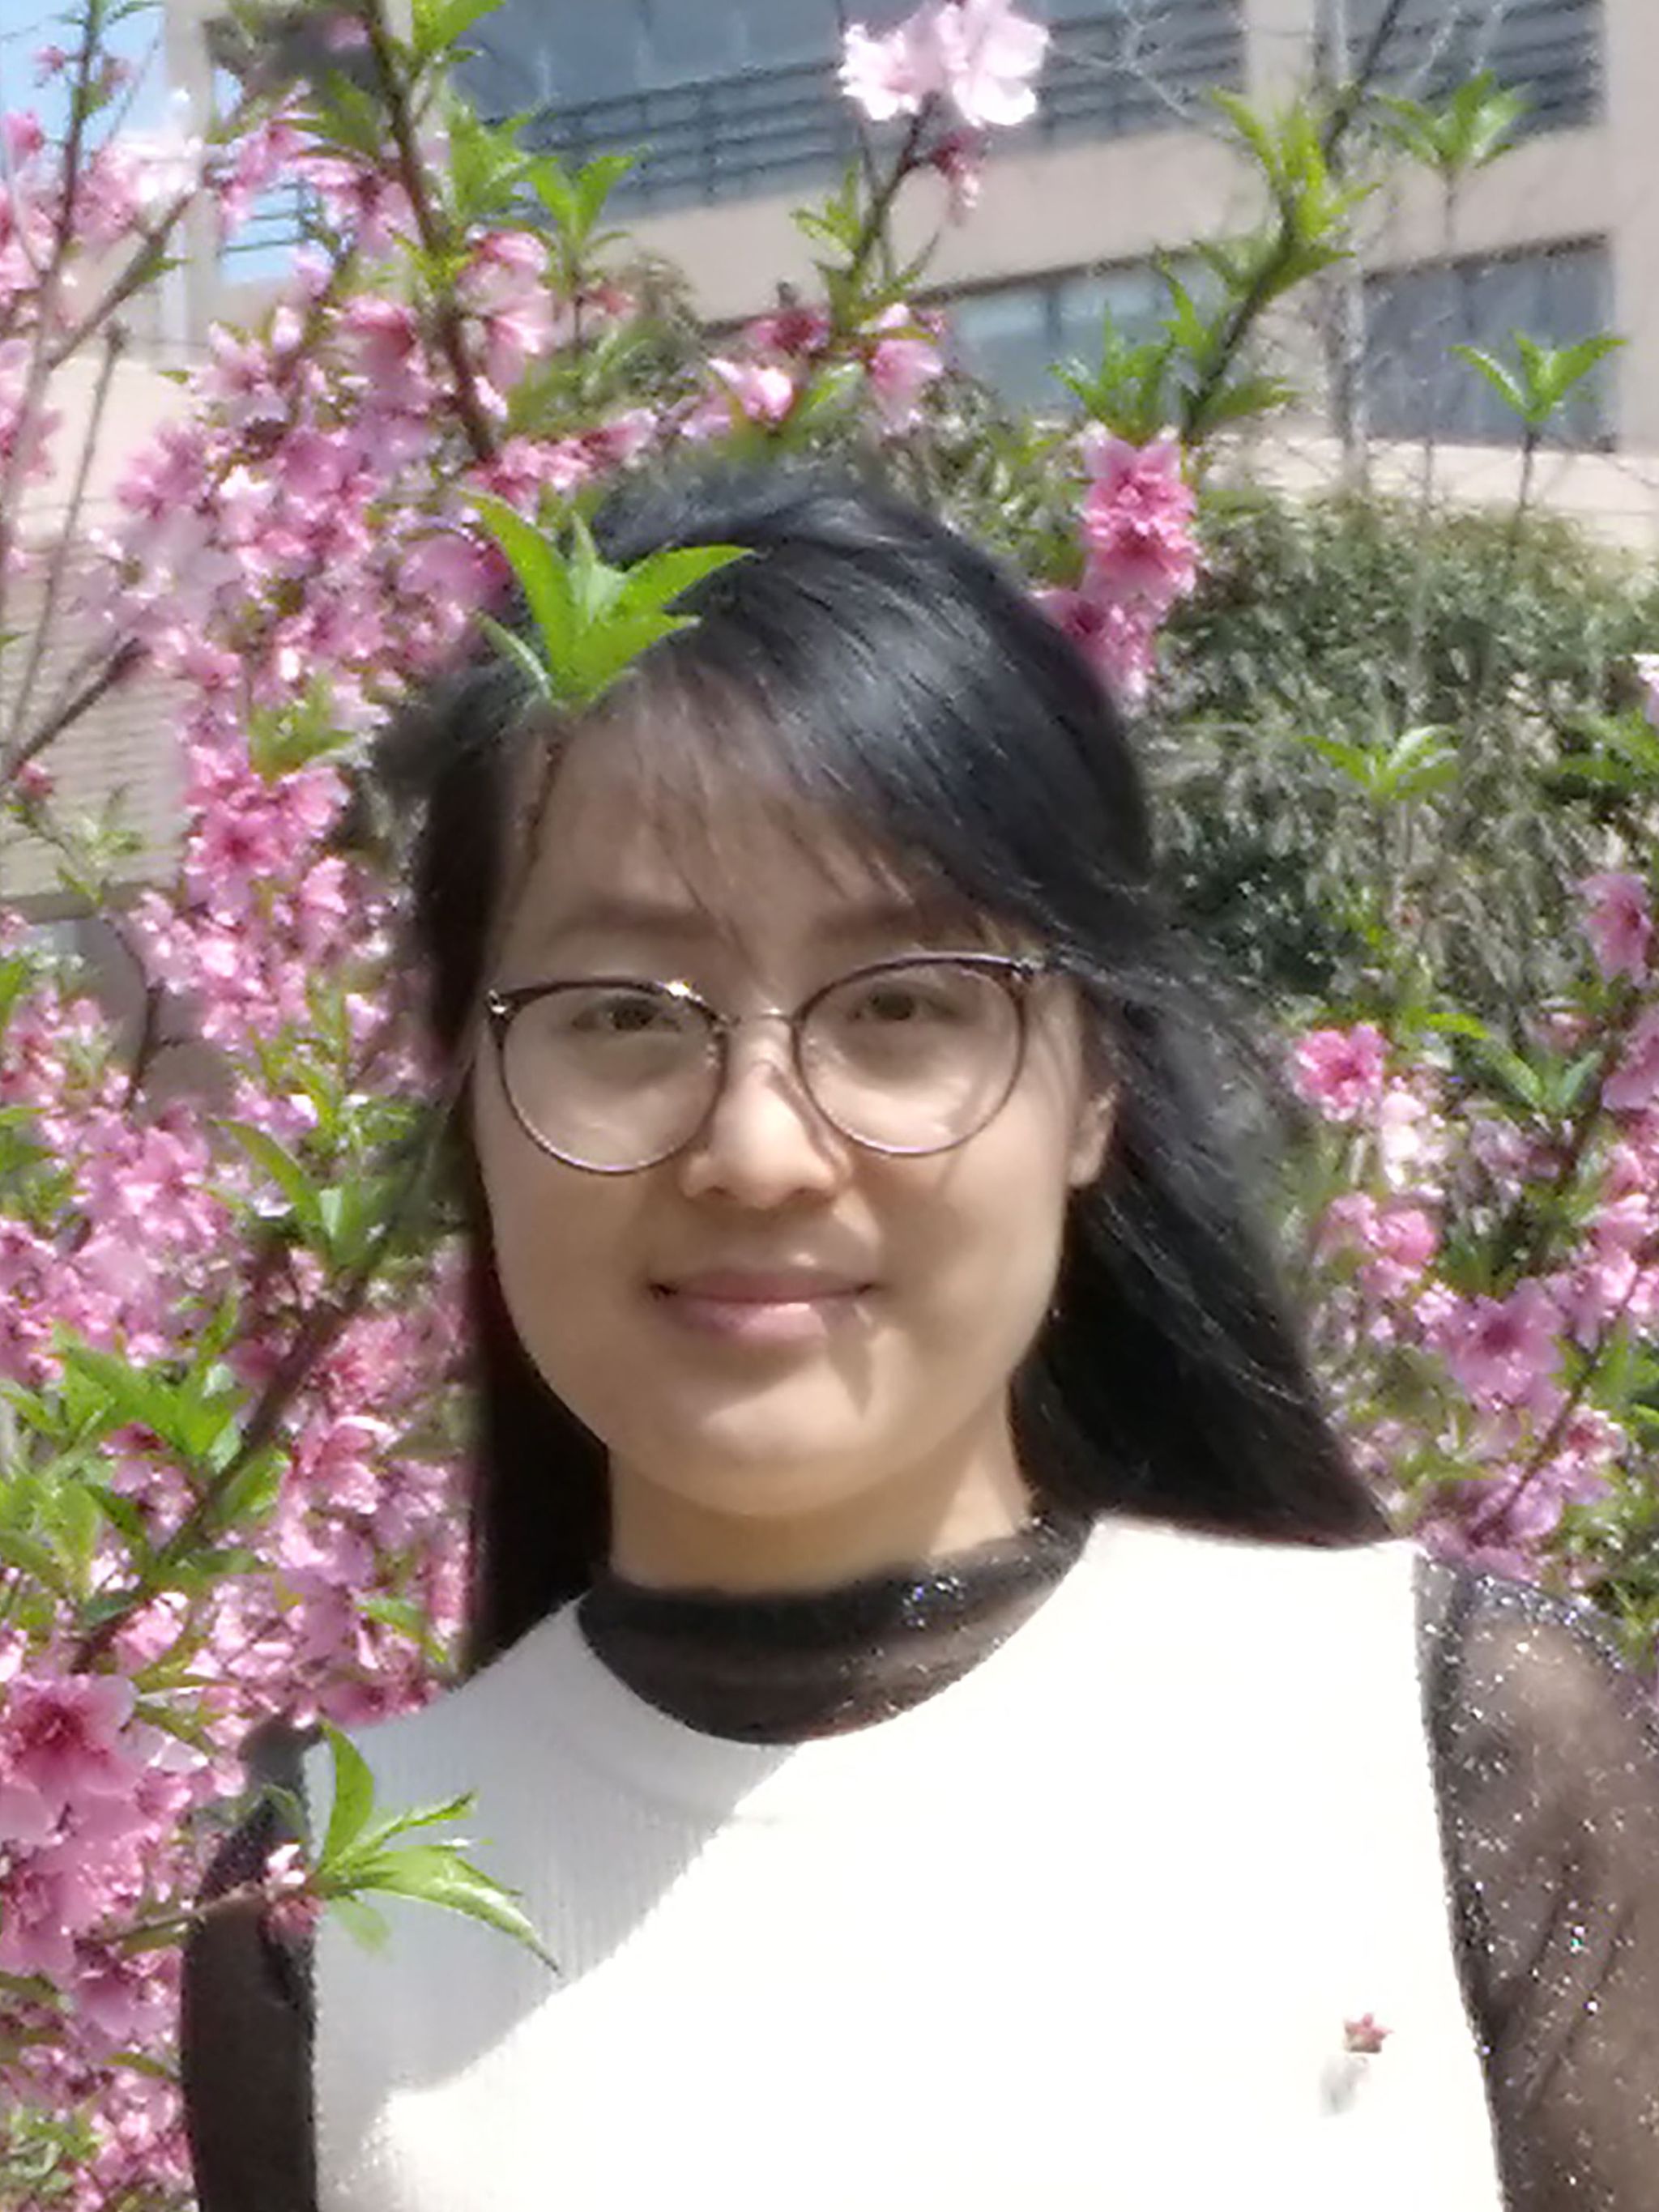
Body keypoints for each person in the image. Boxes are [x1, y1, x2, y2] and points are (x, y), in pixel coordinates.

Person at [181, 463, 1659, 2211]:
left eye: (899, 1005)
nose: (758, 1149)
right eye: (620, 1015)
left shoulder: (1440, 1746)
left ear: (1095, 1082)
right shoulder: (334, 1916)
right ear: (469, 1099)